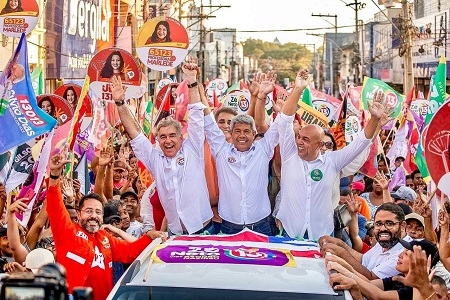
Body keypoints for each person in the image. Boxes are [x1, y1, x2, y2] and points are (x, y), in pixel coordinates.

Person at [275, 69, 389, 240]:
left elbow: (360, 144)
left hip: (321, 236)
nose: (299, 141)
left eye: (305, 139)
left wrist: (374, 120)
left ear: (320, 145)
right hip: (289, 233)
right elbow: (285, 121)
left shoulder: (333, 161)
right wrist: (298, 89)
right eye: (299, 137)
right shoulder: (289, 153)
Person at [111, 58, 214, 235]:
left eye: (173, 136)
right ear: (157, 141)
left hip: (203, 230)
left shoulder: (193, 148)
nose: (168, 141)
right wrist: (120, 103)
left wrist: (191, 80)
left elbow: (196, 113)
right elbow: (135, 133)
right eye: (163, 137)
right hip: (175, 234)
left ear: (182, 138)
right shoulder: (154, 159)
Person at [46, 151, 166, 299]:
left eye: (98, 212)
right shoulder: (68, 232)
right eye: (88, 211)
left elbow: (130, 252)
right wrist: (54, 176)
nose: (93, 216)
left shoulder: (105, 239)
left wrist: (149, 236)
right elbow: (55, 208)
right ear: (78, 214)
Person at [202, 72, 278, 235]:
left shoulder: (263, 149)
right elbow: (207, 118)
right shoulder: (219, 149)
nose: (241, 135)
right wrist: (193, 83)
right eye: (237, 131)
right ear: (232, 133)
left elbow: (281, 121)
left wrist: (261, 97)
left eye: (246, 132)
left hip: (261, 226)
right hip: (226, 226)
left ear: (253, 134)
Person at [327, 239, 440, 300]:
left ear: (421, 262)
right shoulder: (401, 277)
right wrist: (344, 266)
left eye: (406, 253)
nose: (399, 255)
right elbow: (369, 284)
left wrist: (347, 273)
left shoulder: (414, 290)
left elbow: (378, 296)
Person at [320, 203, 406, 280]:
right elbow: (363, 260)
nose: (383, 229)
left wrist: (340, 252)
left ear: (402, 226)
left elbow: (371, 279)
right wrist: (340, 244)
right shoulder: (386, 241)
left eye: (389, 224)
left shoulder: (405, 252)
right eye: (378, 224)